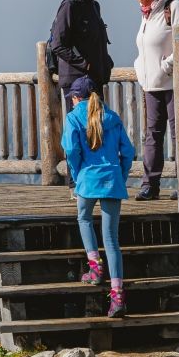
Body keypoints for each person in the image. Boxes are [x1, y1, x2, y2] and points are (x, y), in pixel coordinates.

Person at [63, 75, 135, 319]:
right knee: (112, 239)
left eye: (71, 99)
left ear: (75, 98)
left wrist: (76, 175)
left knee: (83, 218)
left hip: (87, 179)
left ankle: (94, 268)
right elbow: (128, 151)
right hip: (112, 180)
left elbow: (72, 150)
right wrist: (120, 176)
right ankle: (117, 296)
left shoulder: (73, 117)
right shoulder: (113, 118)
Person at [128, 0, 179, 201]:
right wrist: (140, 68)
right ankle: (150, 185)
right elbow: (145, 48)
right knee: (152, 136)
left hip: (175, 84)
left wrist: (166, 67)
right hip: (151, 85)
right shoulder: (146, 13)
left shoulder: (174, 8)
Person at [46, 0, 113, 92]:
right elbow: (57, 45)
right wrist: (84, 64)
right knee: (80, 113)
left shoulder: (95, 6)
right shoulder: (69, 6)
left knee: (98, 113)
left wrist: (106, 62)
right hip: (76, 82)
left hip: (95, 79)